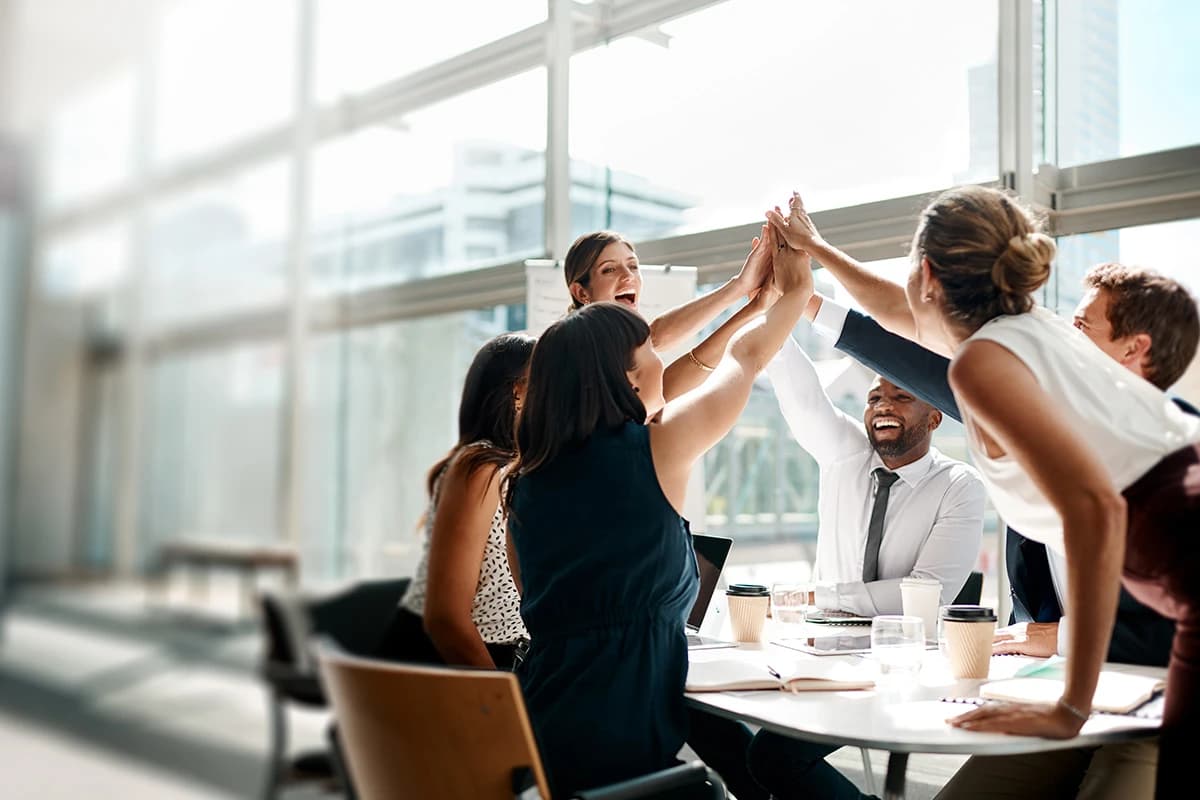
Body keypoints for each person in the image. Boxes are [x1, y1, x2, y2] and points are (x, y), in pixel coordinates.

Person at [767, 185, 1200, 799]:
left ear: (927, 275)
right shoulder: (1029, 330)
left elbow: (1097, 511)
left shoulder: (985, 363)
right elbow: (900, 315)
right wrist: (818, 255)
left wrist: (1069, 708)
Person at [506, 224, 812, 797]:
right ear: (624, 374)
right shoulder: (658, 446)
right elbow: (744, 360)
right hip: (618, 752)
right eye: (649, 350)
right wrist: (793, 287)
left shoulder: (525, 480)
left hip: (536, 735)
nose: (658, 360)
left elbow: (538, 606)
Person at [746, 320, 986, 800]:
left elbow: (926, 594)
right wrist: (775, 309)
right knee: (718, 720)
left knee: (774, 756)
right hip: (817, 652)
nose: (882, 407)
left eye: (900, 396)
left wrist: (822, 595)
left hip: (897, 665)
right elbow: (801, 392)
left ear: (935, 416)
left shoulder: (960, 486)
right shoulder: (845, 456)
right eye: (875, 397)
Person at [374, 333, 534, 669]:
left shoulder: (515, 468)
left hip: (494, 659)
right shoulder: (482, 469)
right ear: (517, 392)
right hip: (448, 665)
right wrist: (500, 705)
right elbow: (445, 619)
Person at [564, 228, 774, 400]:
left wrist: (753, 304)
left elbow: (673, 376)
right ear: (581, 292)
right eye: (609, 269)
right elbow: (654, 338)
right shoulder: (571, 353)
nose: (628, 276)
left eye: (633, 266)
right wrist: (740, 288)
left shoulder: (631, 379)